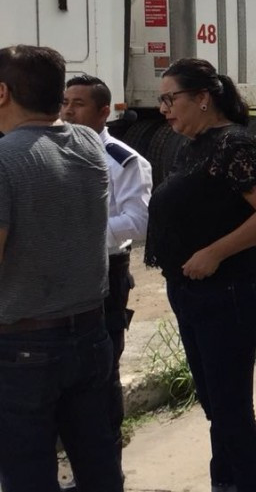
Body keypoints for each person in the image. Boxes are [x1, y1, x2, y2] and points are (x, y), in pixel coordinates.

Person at [144, 58, 256, 492]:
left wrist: (214, 253)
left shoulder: (233, 146)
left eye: (170, 99)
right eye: (161, 101)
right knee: (217, 408)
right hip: (192, 292)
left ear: (203, 98)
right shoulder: (192, 145)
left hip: (228, 293)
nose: (164, 109)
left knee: (231, 411)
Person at [0, 46, 122, 492]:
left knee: (27, 475)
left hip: (23, 347)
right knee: (98, 467)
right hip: (90, 335)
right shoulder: (88, 143)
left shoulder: (5, 159)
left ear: (2, 93)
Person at [62, 75, 153, 469]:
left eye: (78, 104)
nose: (68, 111)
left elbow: (139, 220)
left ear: (103, 113)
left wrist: (82, 236)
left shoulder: (122, 159)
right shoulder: (55, 152)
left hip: (105, 271)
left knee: (101, 370)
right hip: (61, 275)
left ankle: (107, 466)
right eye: (65, 102)